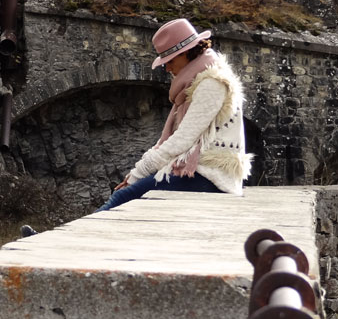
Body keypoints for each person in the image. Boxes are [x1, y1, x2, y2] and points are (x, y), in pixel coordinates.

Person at [96, 18, 252, 212]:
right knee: (126, 199)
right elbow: (171, 142)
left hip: (211, 177)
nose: (167, 68)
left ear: (186, 52)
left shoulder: (212, 83)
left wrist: (137, 175)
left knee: (124, 198)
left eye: (169, 61)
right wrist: (137, 172)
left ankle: (73, 240)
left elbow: (181, 141)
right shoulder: (195, 83)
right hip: (197, 171)